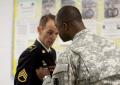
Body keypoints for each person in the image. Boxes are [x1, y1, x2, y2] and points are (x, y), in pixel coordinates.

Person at [43, 6, 120, 85]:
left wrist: (46, 78)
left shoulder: (70, 54)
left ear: (65, 26)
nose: (57, 33)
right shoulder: (110, 44)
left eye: (57, 27)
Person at [14, 13, 59, 85]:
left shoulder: (52, 52)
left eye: (56, 33)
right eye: (50, 33)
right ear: (39, 30)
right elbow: (20, 83)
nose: (53, 37)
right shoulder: (30, 54)